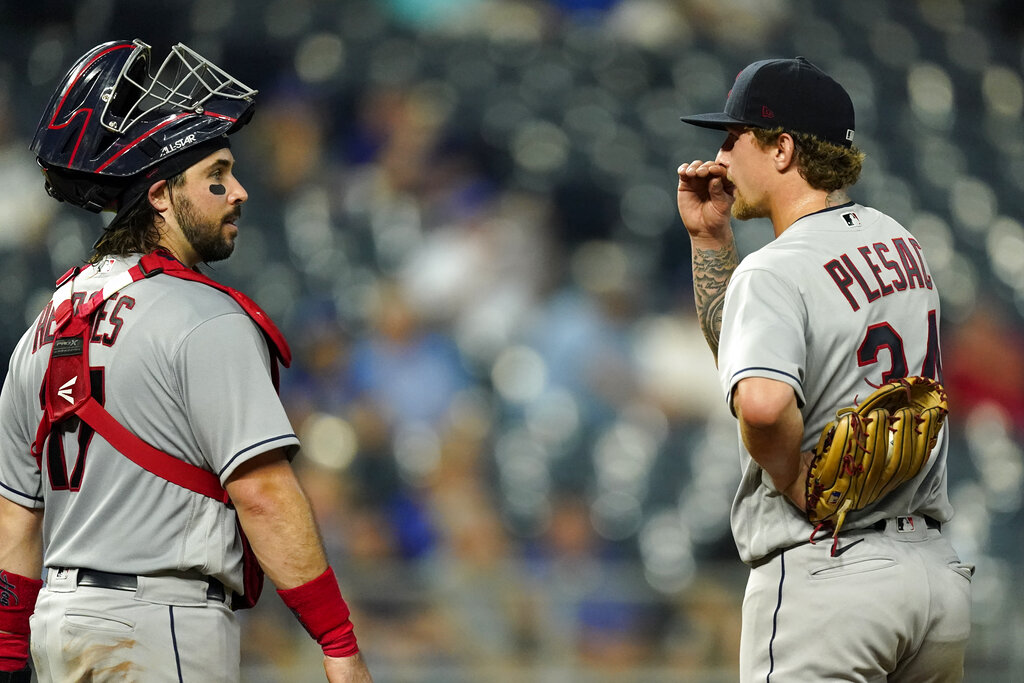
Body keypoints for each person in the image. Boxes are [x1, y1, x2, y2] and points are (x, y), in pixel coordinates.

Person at [0, 39, 372, 682]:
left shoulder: (45, 322)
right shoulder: (203, 318)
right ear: (161, 196)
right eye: (217, 176)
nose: (240, 192)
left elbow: (15, 519)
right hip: (159, 621)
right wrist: (339, 643)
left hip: (57, 628)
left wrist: (8, 654)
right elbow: (261, 493)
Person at [675, 57, 973, 681]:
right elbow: (747, 353)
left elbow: (758, 401)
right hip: (934, 581)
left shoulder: (775, 268)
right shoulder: (901, 243)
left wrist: (795, 482)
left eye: (734, 139)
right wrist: (712, 243)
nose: (721, 158)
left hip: (831, 578)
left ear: (781, 148)